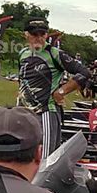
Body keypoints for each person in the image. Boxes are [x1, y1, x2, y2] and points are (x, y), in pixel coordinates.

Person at [17, 17, 91, 157]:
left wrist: (62, 91)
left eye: (42, 34)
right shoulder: (22, 54)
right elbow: (22, 79)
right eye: (34, 34)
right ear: (26, 34)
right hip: (24, 113)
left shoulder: (54, 53)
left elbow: (84, 72)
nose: (38, 38)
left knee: (45, 158)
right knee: (25, 155)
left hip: (46, 112)